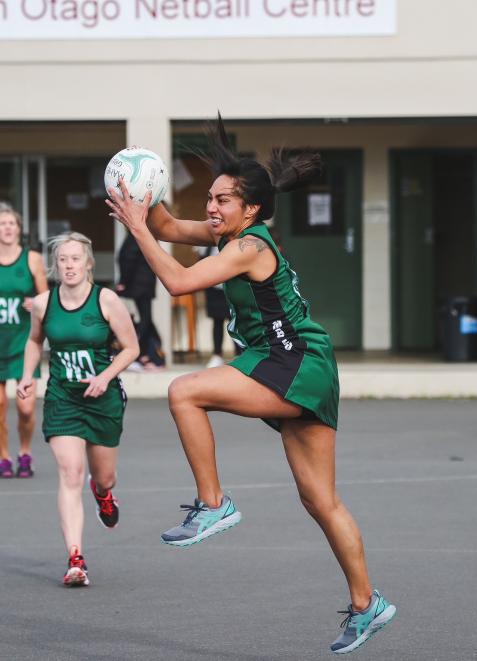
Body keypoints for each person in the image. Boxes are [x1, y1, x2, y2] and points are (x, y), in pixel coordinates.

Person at [106, 116, 396, 654]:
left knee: (183, 391)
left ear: (252, 209)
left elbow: (177, 281)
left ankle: (214, 503)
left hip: (294, 360)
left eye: (221, 200)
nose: (211, 208)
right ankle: (367, 605)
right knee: (319, 500)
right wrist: (148, 188)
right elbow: (169, 227)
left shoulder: (249, 246)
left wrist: (137, 226)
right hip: (294, 361)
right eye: (210, 198)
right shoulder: (227, 236)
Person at [17, 232, 139, 587]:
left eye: (75, 259)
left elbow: (131, 348)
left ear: (88, 264)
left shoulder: (106, 300)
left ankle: (102, 493)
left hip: (102, 399)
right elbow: (35, 340)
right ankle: (75, 558)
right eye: (63, 260)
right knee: (70, 473)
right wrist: (28, 375)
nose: (69, 266)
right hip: (63, 398)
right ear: (56, 266)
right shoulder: (43, 303)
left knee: (104, 476)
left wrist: (105, 376)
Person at [0, 203, 48, 479]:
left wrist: (35, 302)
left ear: (18, 228)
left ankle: (25, 452)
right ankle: (4, 456)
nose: (7, 228)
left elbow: (46, 298)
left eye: (11, 223)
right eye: (2, 224)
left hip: (22, 342)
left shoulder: (31, 259)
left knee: (25, 407)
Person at [116, 231, 165, 370]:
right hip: (143, 284)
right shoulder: (144, 235)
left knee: (145, 320)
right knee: (146, 319)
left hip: (139, 284)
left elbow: (127, 258)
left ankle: (140, 354)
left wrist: (123, 281)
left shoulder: (137, 235)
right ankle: (146, 355)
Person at [196, 244, 232, 368]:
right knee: (217, 321)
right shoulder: (208, 245)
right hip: (214, 287)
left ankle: (240, 354)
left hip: (232, 287)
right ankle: (217, 355)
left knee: (236, 322)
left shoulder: (234, 242)